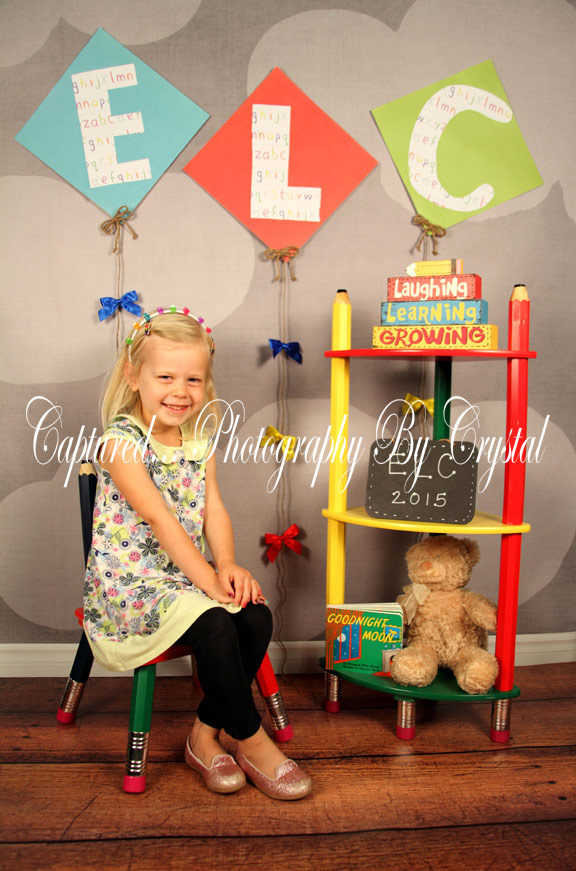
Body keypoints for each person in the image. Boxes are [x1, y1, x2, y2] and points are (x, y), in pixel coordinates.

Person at [84, 306, 311, 800]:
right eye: (165, 377)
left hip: (185, 576)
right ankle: (253, 741)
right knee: (215, 622)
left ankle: (203, 737)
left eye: (193, 379)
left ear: (206, 382)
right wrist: (209, 582)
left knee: (253, 614)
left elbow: (214, 511)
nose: (180, 391)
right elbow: (161, 520)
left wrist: (225, 565)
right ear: (134, 376)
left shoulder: (198, 441)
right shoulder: (121, 443)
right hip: (132, 585)